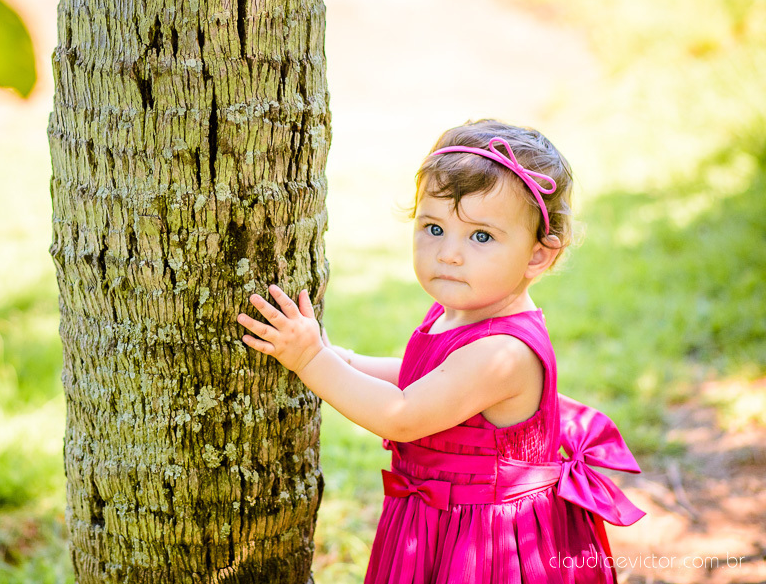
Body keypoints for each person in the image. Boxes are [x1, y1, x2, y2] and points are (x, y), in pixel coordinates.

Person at [236, 118, 646, 584]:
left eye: (481, 236)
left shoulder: (503, 352)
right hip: (438, 517)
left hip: (485, 542)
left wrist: (311, 360)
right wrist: (341, 358)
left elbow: (403, 413)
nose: (449, 253)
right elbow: (422, 379)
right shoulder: (459, 310)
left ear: (537, 255)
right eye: (433, 228)